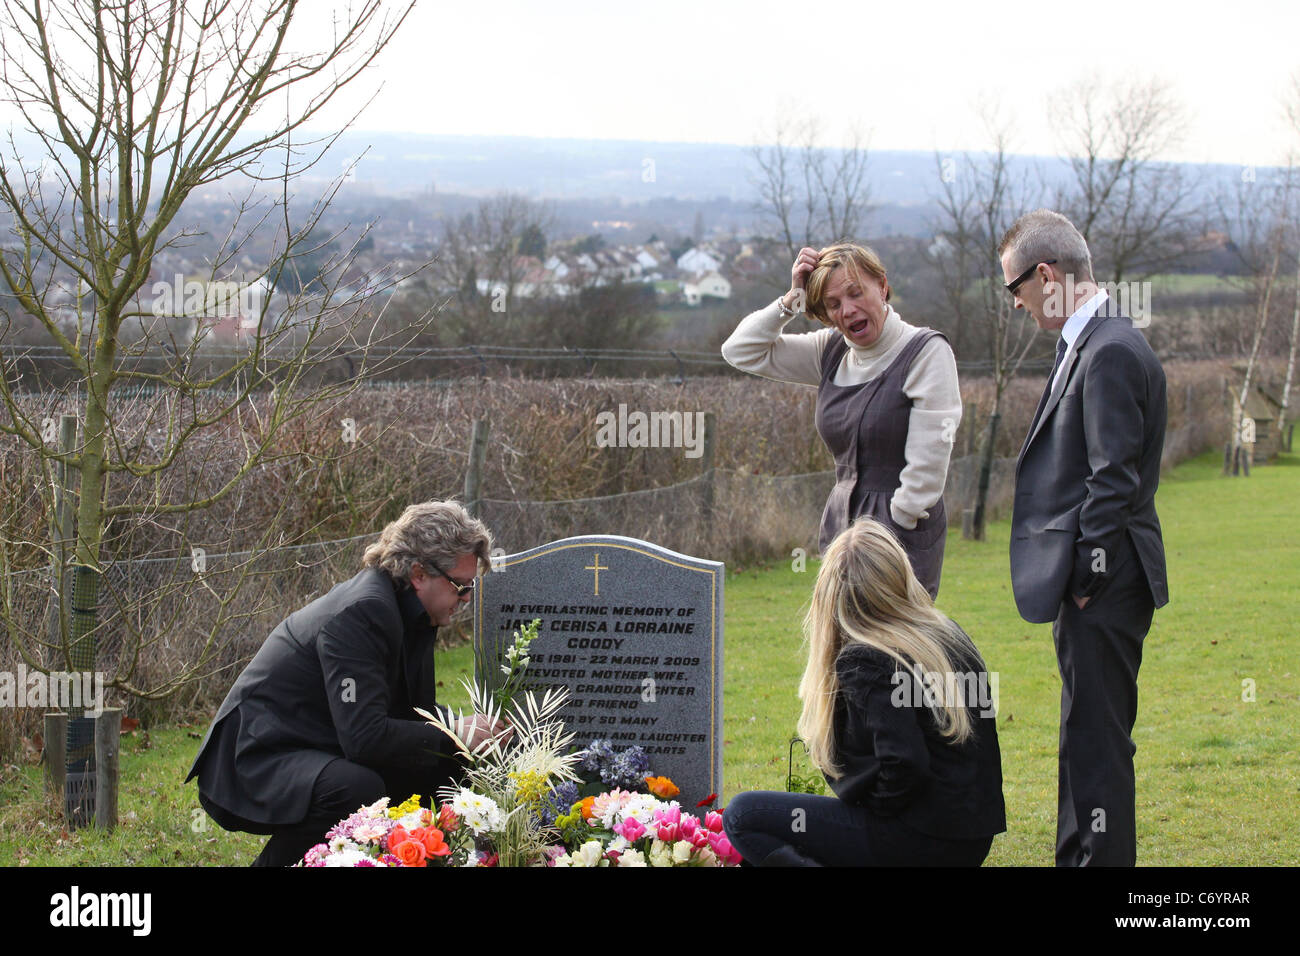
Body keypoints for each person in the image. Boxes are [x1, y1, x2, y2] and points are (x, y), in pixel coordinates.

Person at [186, 500, 509, 866]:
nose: (466, 598)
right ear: (419, 573)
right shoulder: (365, 611)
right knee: (355, 788)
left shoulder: (416, 614)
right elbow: (364, 738)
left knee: (447, 760)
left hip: (310, 743)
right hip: (254, 758)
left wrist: (469, 733)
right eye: (459, 586)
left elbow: (411, 711)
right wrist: (454, 732)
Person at [998, 209, 1168, 867]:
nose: (1016, 307)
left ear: (1044, 275)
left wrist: (1089, 578)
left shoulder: (1110, 350)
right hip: (1101, 578)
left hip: (1109, 579)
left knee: (1096, 742)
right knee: (1083, 734)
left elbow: (1112, 477)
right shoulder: (1093, 342)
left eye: (1015, 290)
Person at [722, 518, 1006, 866]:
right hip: (969, 841)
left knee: (744, 815)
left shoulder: (866, 658)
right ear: (898, 575)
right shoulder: (946, 635)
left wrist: (875, 808)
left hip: (921, 840)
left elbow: (905, 762)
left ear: (829, 595)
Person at [721, 244, 960, 598]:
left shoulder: (925, 351)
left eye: (855, 292)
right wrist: (792, 299)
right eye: (833, 304)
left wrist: (896, 524)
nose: (847, 310)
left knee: (894, 647)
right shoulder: (830, 351)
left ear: (881, 285)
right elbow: (740, 350)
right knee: (840, 647)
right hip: (840, 525)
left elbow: (929, 464)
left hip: (900, 529)